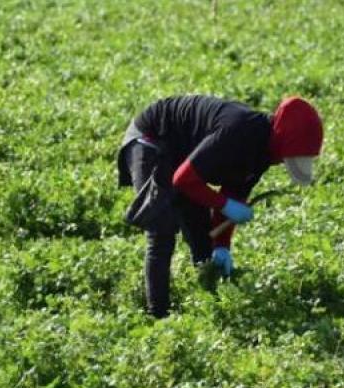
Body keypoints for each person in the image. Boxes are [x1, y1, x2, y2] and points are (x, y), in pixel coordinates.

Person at [117, 95, 323, 318]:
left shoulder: (263, 153)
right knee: (162, 227)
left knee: (203, 237)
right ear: (282, 141)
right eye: (286, 158)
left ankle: (210, 305)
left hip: (182, 155)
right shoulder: (238, 132)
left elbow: (233, 193)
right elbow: (183, 180)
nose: (283, 163)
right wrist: (224, 205)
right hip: (151, 139)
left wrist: (222, 245)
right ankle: (157, 316)